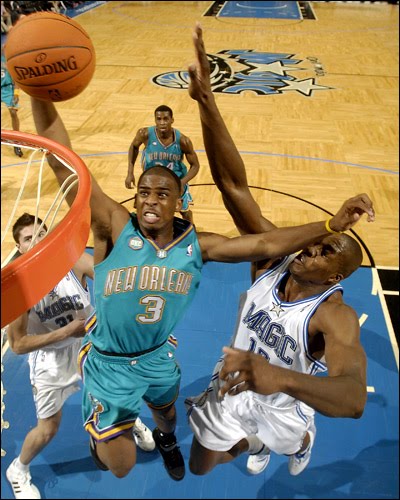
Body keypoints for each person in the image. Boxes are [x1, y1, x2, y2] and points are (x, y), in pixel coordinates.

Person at [29, 77, 373, 483]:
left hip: (163, 356)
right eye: (143, 192)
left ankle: (176, 437)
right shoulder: (113, 227)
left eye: (161, 193)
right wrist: (40, 92)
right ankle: (108, 433)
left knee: (169, 415)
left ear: (179, 200)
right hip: (111, 362)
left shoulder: (199, 245)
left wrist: (328, 225)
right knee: (121, 465)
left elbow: (261, 241)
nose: (150, 200)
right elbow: (65, 161)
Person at [184, 23, 375, 478]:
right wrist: (206, 101)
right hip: (238, 380)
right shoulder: (273, 260)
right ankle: (251, 440)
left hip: (290, 402)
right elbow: (233, 186)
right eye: (319, 241)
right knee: (200, 465)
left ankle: (301, 440)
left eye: (327, 252)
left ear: (335, 278)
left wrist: (281, 378)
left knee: (287, 435)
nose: (313, 249)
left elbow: (353, 400)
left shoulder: (334, 316)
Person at [4, 213, 154, 499]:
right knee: (48, 429)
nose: (35, 241)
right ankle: (18, 469)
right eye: (27, 238)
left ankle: (127, 422)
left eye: (40, 233)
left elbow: (111, 277)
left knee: (118, 393)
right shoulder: (19, 288)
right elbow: (18, 345)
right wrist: (64, 334)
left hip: (87, 344)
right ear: (19, 248)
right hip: (49, 358)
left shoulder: (73, 261)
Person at [125, 105, 200, 224]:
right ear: (155, 120)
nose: (162, 123)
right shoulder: (144, 134)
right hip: (151, 180)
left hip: (175, 181)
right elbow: (134, 147)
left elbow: (195, 165)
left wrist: (182, 182)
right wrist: (130, 172)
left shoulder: (183, 141)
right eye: (159, 119)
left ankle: (192, 233)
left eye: (165, 119)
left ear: (172, 120)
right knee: (143, 207)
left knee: (184, 211)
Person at [1, 46, 23, 157]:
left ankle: (16, 142)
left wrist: (16, 93)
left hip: (7, 88)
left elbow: (16, 77)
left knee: (13, 113)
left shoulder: (9, 59)